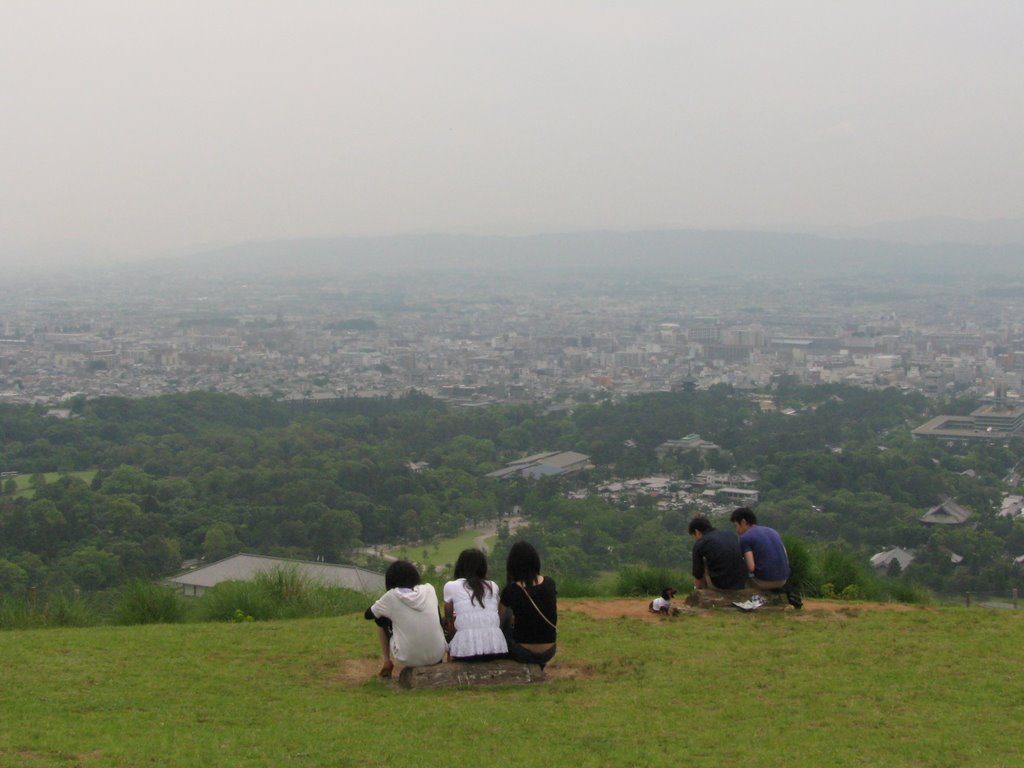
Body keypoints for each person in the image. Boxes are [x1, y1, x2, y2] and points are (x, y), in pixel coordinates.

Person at [364, 560, 447, 678]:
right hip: (438, 654)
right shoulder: (429, 589)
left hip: (408, 657)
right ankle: (432, 653)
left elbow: (368, 614)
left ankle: (387, 661)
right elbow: (438, 619)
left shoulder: (391, 596)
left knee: (380, 619)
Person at [442, 548, 508, 662]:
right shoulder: (493, 586)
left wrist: (453, 645)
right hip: (496, 648)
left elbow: (449, 618)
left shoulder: (451, 586)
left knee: (445, 621)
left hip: (465, 651)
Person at [499, 541, 557, 669]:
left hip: (521, 653)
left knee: (507, 614)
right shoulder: (550, 583)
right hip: (549, 651)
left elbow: (499, 622)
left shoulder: (510, 590)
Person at [729, 507, 790, 590]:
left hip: (763, 582)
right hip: (783, 580)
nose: (736, 530)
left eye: (736, 526)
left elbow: (751, 567)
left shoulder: (745, 538)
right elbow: (785, 556)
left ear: (743, 522)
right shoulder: (773, 531)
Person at [688, 515, 749, 591]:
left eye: (694, 536)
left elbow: (697, 573)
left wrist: (696, 589)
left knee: (702, 562)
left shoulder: (701, 543)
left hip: (722, 585)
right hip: (742, 582)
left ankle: (701, 591)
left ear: (697, 532)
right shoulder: (730, 534)